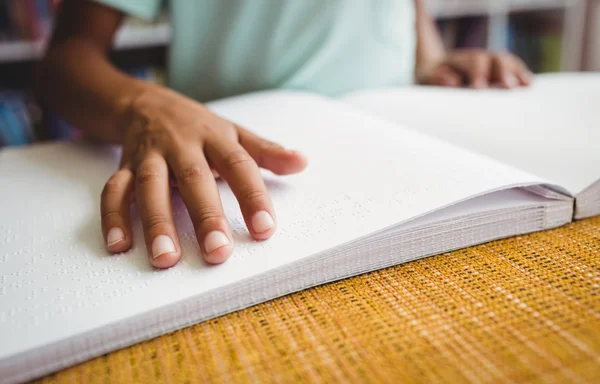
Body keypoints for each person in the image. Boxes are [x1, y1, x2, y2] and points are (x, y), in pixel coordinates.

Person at [35, 0, 532, 268]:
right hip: (221, 162)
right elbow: (66, 58)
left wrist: (431, 58)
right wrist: (142, 104)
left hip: (399, 145)